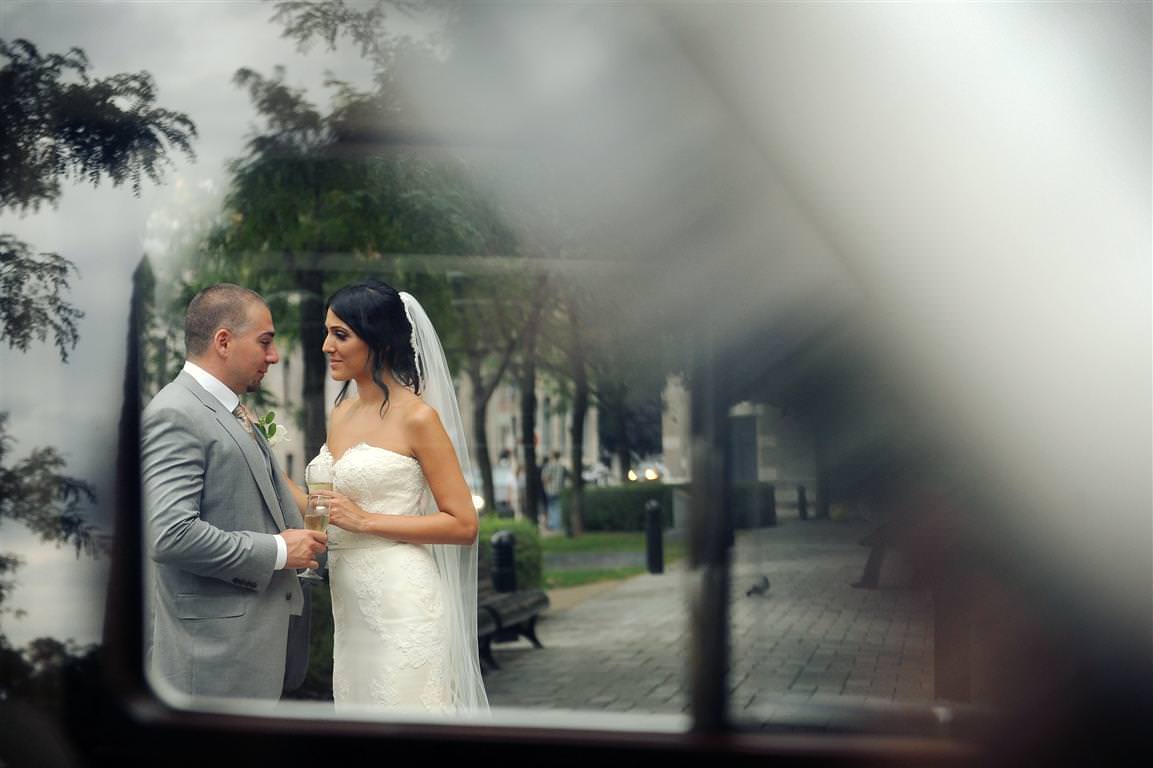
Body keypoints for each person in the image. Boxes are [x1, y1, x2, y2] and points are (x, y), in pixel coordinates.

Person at [288, 278, 488, 715]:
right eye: (326, 332)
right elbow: (324, 509)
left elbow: (463, 525)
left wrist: (365, 521)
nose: (326, 346)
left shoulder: (418, 417)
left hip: (403, 603)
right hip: (350, 605)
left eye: (341, 334)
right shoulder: (341, 411)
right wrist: (257, 456)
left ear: (378, 339)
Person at [140, 283, 328, 700]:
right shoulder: (176, 413)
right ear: (223, 341)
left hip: (252, 655)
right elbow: (169, 535)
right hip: (211, 665)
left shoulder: (232, 408)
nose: (274, 356)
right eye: (265, 342)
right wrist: (278, 552)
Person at [540, 451, 568, 532]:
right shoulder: (561, 466)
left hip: (551, 489)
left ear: (552, 456)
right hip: (559, 489)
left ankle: (553, 525)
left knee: (551, 507)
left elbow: (545, 478)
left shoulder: (550, 465)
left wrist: (546, 485)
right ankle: (558, 524)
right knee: (558, 507)